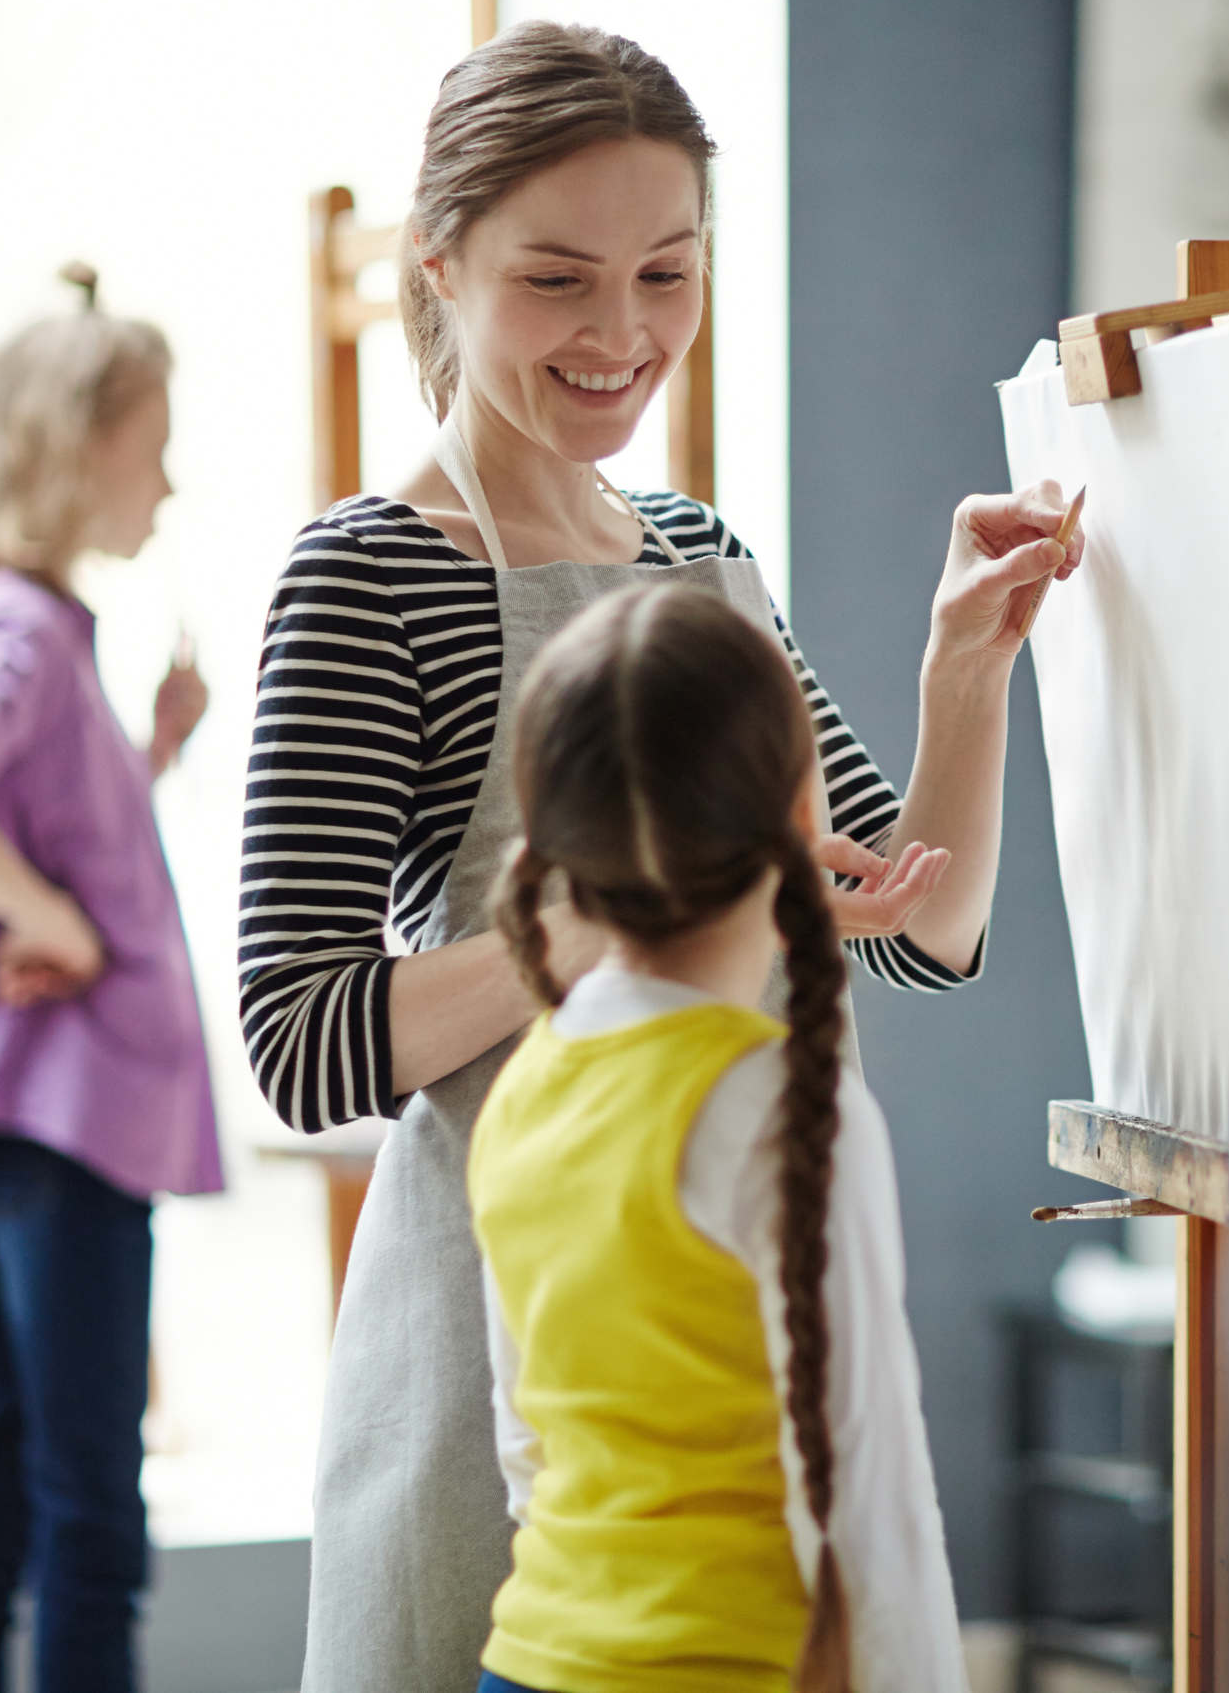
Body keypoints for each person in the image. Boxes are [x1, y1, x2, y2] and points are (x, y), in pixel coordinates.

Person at [240, 22, 1076, 1693]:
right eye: (557, 280)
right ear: (440, 264)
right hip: (481, 1396)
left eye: (666, 273)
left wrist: (961, 672)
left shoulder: (704, 557)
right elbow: (305, 1044)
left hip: (706, 1434)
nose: (623, 335)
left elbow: (909, 925)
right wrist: (610, 928)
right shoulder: (366, 578)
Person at [468, 583, 961, 1693]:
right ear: (799, 815)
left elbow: (527, 1457)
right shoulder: (782, 1106)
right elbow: (871, 1482)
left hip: (532, 1660)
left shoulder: (525, 1087)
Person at [0, 264, 223, 1693]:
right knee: (89, 1508)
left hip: (35, 1127)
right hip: (60, 1123)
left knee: (4, 1475)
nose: (173, 479)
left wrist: (154, 751)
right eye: (154, 441)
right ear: (77, 449)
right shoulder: (18, 628)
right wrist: (59, 928)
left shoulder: (34, 630)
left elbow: (47, 834)